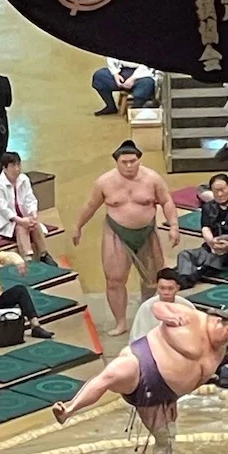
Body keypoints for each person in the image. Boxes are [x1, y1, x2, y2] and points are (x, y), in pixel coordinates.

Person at [52, 304, 228, 454]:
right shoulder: (192, 316)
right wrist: (169, 317)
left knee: (165, 441)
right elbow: (158, 306)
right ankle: (68, 409)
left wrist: (174, 396)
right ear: (218, 322)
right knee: (111, 374)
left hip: (159, 395)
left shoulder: (219, 351)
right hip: (141, 364)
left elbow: (198, 377)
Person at [73, 140, 179, 336]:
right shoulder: (104, 182)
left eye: (133, 161)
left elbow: (166, 201)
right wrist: (78, 226)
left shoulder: (152, 179)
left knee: (153, 279)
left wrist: (174, 225)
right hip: (116, 232)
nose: (129, 166)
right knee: (114, 280)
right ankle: (120, 322)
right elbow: (90, 205)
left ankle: (146, 313)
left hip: (147, 231)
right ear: (117, 162)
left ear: (139, 159)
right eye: (124, 162)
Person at [175, 173, 228, 288]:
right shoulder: (208, 207)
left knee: (223, 240)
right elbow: (205, 227)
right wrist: (211, 242)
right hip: (212, 247)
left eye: (222, 190)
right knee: (185, 254)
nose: (219, 194)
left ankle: (202, 271)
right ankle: (185, 277)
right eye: (215, 191)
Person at [0, 151, 55, 264]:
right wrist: (20, 220)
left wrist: (33, 214)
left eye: (18, 165)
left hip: (23, 218)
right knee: (21, 227)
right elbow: (3, 209)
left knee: (34, 224)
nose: (17, 169)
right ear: (5, 168)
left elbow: (30, 199)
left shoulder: (24, 179)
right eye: (13, 166)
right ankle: (27, 258)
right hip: (4, 221)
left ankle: (44, 254)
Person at [129, 269, 194, 343]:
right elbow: (139, 336)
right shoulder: (146, 307)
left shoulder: (187, 306)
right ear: (157, 287)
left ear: (177, 288)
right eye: (162, 288)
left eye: (170, 288)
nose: (166, 292)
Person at [91, 57, 158, 115]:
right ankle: (110, 106)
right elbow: (112, 57)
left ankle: (136, 109)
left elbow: (150, 64)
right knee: (99, 76)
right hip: (122, 71)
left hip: (143, 75)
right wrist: (115, 74)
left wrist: (133, 78)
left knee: (147, 83)